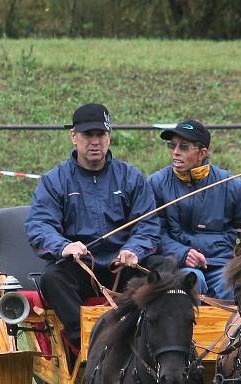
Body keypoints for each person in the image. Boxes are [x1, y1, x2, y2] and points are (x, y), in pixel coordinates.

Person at [25, 102, 159, 354]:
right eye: (88, 135)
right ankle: (87, 345)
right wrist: (64, 246)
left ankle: (151, 341)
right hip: (80, 269)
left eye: (101, 134)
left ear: (109, 137)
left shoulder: (131, 178)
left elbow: (149, 225)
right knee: (53, 278)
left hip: (123, 268)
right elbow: (39, 225)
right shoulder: (55, 180)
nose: (95, 141)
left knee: (165, 269)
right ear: (74, 136)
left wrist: (134, 250)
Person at [149, 119, 241, 300]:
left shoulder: (231, 185)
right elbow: (153, 231)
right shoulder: (156, 183)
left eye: (184, 147)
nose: (175, 152)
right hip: (177, 265)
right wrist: (182, 253)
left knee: (231, 288)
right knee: (190, 282)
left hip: (223, 265)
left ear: (202, 153)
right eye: (172, 146)